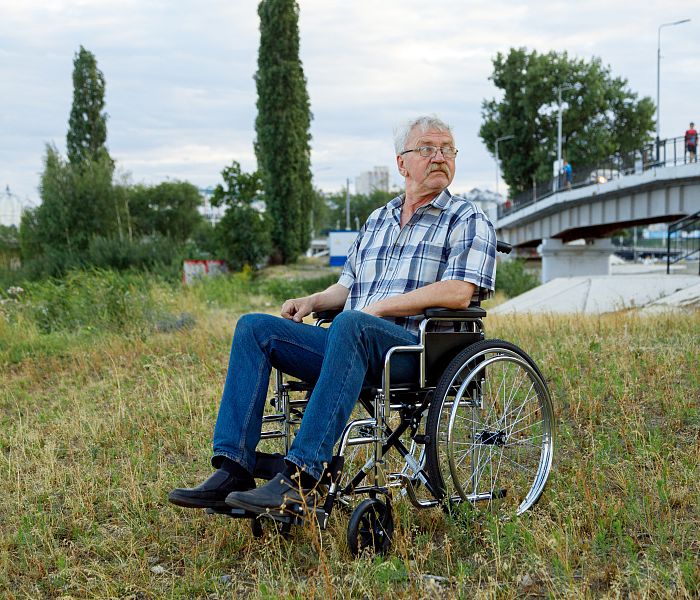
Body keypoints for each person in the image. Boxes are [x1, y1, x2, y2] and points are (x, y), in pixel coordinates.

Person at [168, 115, 497, 517]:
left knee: (352, 323)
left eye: (447, 149)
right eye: (428, 149)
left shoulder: (467, 218)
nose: (440, 157)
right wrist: (312, 300)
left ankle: (302, 478)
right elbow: (348, 286)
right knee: (254, 328)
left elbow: (459, 291)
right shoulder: (378, 220)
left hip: (414, 350)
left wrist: (379, 309)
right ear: (401, 162)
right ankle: (234, 469)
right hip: (350, 339)